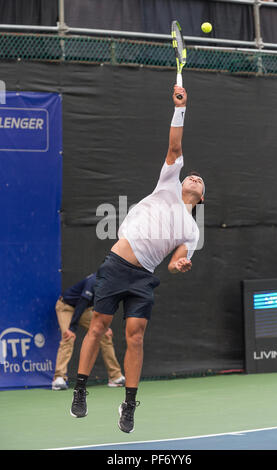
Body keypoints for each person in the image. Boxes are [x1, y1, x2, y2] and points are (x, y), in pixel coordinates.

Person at [70, 85, 205, 433]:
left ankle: (129, 404)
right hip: (117, 265)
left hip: (144, 276)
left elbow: (176, 261)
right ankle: (80, 390)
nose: (194, 176)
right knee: (98, 326)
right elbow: (175, 146)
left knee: (135, 336)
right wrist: (181, 108)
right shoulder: (168, 183)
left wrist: (180, 265)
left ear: (201, 198)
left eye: (200, 181)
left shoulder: (191, 230)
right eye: (192, 174)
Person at [52, 273, 125, 390]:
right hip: (66, 307)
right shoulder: (93, 281)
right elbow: (82, 303)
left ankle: (115, 377)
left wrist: (105, 327)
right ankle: (58, 378)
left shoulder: (111, 285)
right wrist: (72, 328)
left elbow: (105, 306)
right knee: (68, 337)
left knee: (105, 336)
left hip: (85, 310)